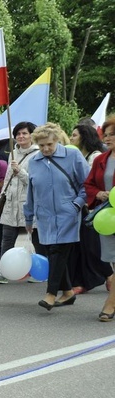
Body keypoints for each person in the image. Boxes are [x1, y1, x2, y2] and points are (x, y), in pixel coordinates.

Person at [25, 123, 89, 311]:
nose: (45, 149)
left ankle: (51, 293)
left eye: (49, 145)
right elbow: (31, 192)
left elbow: (87, 185)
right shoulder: (34, 162)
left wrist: (75, 205)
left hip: (67, 214)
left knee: (58, 252)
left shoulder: (73, 155)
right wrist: (28, 217)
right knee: (52, 251)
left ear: (57, 140)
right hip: (44, 216)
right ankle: (67, 292)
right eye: (42, 145)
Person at [67, 123, 111, 294]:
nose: (71, 138)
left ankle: (108, 275)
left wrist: (98, 194)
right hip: (84, 208)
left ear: (84, 137)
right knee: (83, 247)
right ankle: (83, 281)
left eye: (74, 135)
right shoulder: (80, 156)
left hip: (99, 210)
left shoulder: (96, 157)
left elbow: (93, 182)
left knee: (93, 248)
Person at [84, 116, 115, 320]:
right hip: (107, 218)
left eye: (113, 134)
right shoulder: (100, 159)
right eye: (107, 134)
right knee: (112, 261)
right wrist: (99, 194)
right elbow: (88, 185)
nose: (109, 138)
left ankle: (110, 303)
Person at [0, 122, 40, 261]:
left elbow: (36, 183)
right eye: (18, 134)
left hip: (28, 204)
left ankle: (41, 270)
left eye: (24, 133)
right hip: (11, 204)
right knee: (6, 240)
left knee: (36, 240)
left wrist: (20, 172)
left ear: (31, 135)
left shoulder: (38, 154)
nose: (21, 136)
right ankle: (3, 270)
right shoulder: (13, 154)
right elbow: (7, 179)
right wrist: (1, 198)